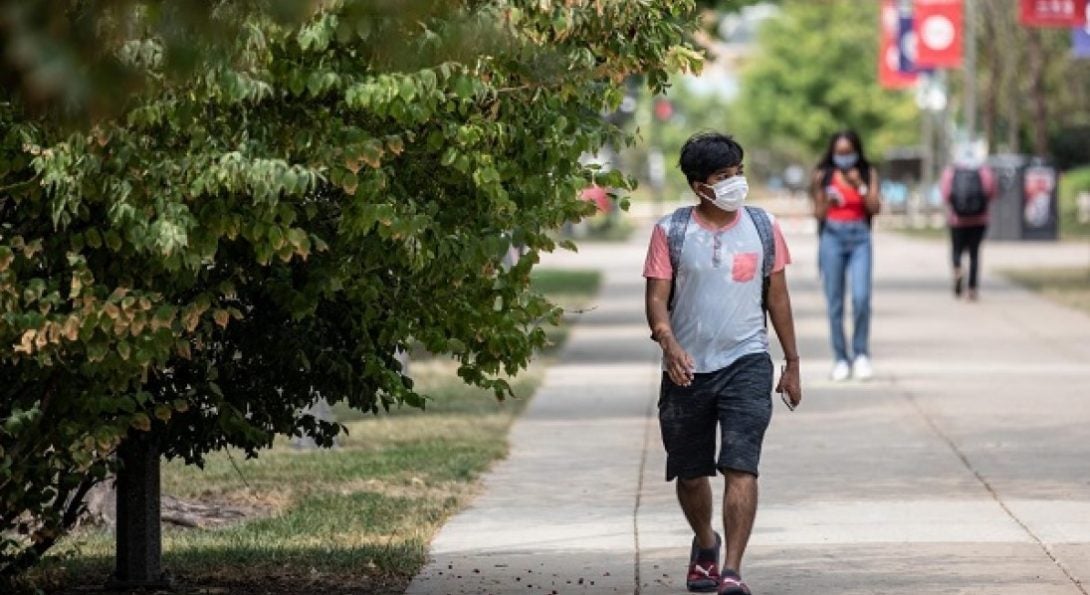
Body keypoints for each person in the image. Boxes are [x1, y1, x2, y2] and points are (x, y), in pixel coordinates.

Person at [644, 132, 802, 595]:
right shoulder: (671, 232)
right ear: (699, 186)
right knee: (691, 473)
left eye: (737, 173)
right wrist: (668, 343)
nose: (735, 183)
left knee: (741, 465)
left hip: (748, 360)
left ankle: (732, 570)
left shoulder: (763, 226)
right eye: (722, 177)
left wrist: (791, 361)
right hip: (687, 368)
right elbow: (656, 302)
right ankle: (705, 543)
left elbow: (778, 296)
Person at [811, 130, 881, 382]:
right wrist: (827, 201)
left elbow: (875, 207)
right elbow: (817, 213)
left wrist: (859, 186)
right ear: (832, 153)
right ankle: (841, 358)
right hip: (832, 238)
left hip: (860, 238)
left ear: (856, 151)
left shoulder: (866, 172)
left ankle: (861, 354)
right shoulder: (824, 175)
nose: (843, 157)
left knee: (861, 298)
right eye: (838, 153)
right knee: (835, 302)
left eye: (847, 152)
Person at [940, 158, 997, 301]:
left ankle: (958, 268)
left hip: (957, 220)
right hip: (979, 219)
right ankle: (972, 289)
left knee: (956, 249)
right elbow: (991, 191)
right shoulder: (984, 170)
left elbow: (946, 194)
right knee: (974, 254)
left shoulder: (951, 171)